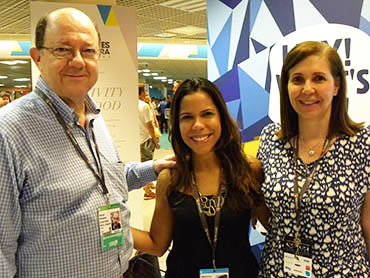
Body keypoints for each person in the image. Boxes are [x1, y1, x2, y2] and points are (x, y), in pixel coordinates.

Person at [0, 8, 175, 277]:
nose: (78, 61)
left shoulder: (93, 117)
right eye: (63, 50)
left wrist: (153, 167)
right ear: (37, 57)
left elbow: (104, 179)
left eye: (88, 50)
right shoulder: (9, 132)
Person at [257, 41, 370, 277]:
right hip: (278, 271)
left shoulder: (363, 143)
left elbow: (368, 223)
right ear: (286, 86)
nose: (307, 89)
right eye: (297, 79)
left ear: (337, 85)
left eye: (319, 78)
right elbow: (264, 212)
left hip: (343, 272)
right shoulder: (270, 139)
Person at [132, 78, 263, 277]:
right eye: (187, 117)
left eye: (207, 114)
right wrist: (114, 228)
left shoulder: (248, 169)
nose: (198, 125)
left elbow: (272, 222)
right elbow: (157, 244)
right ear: (177, 123)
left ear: (221, 117)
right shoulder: (171, 178)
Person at [138, 84, 160, 200]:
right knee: (147, 165)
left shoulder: (132, 104)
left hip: (137, 139)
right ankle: (147, 191)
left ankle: (147, 186)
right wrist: (155, 141)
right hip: (146, 139)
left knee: (142, 163)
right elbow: (150, 126)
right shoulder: (144, 106)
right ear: (141, 92)